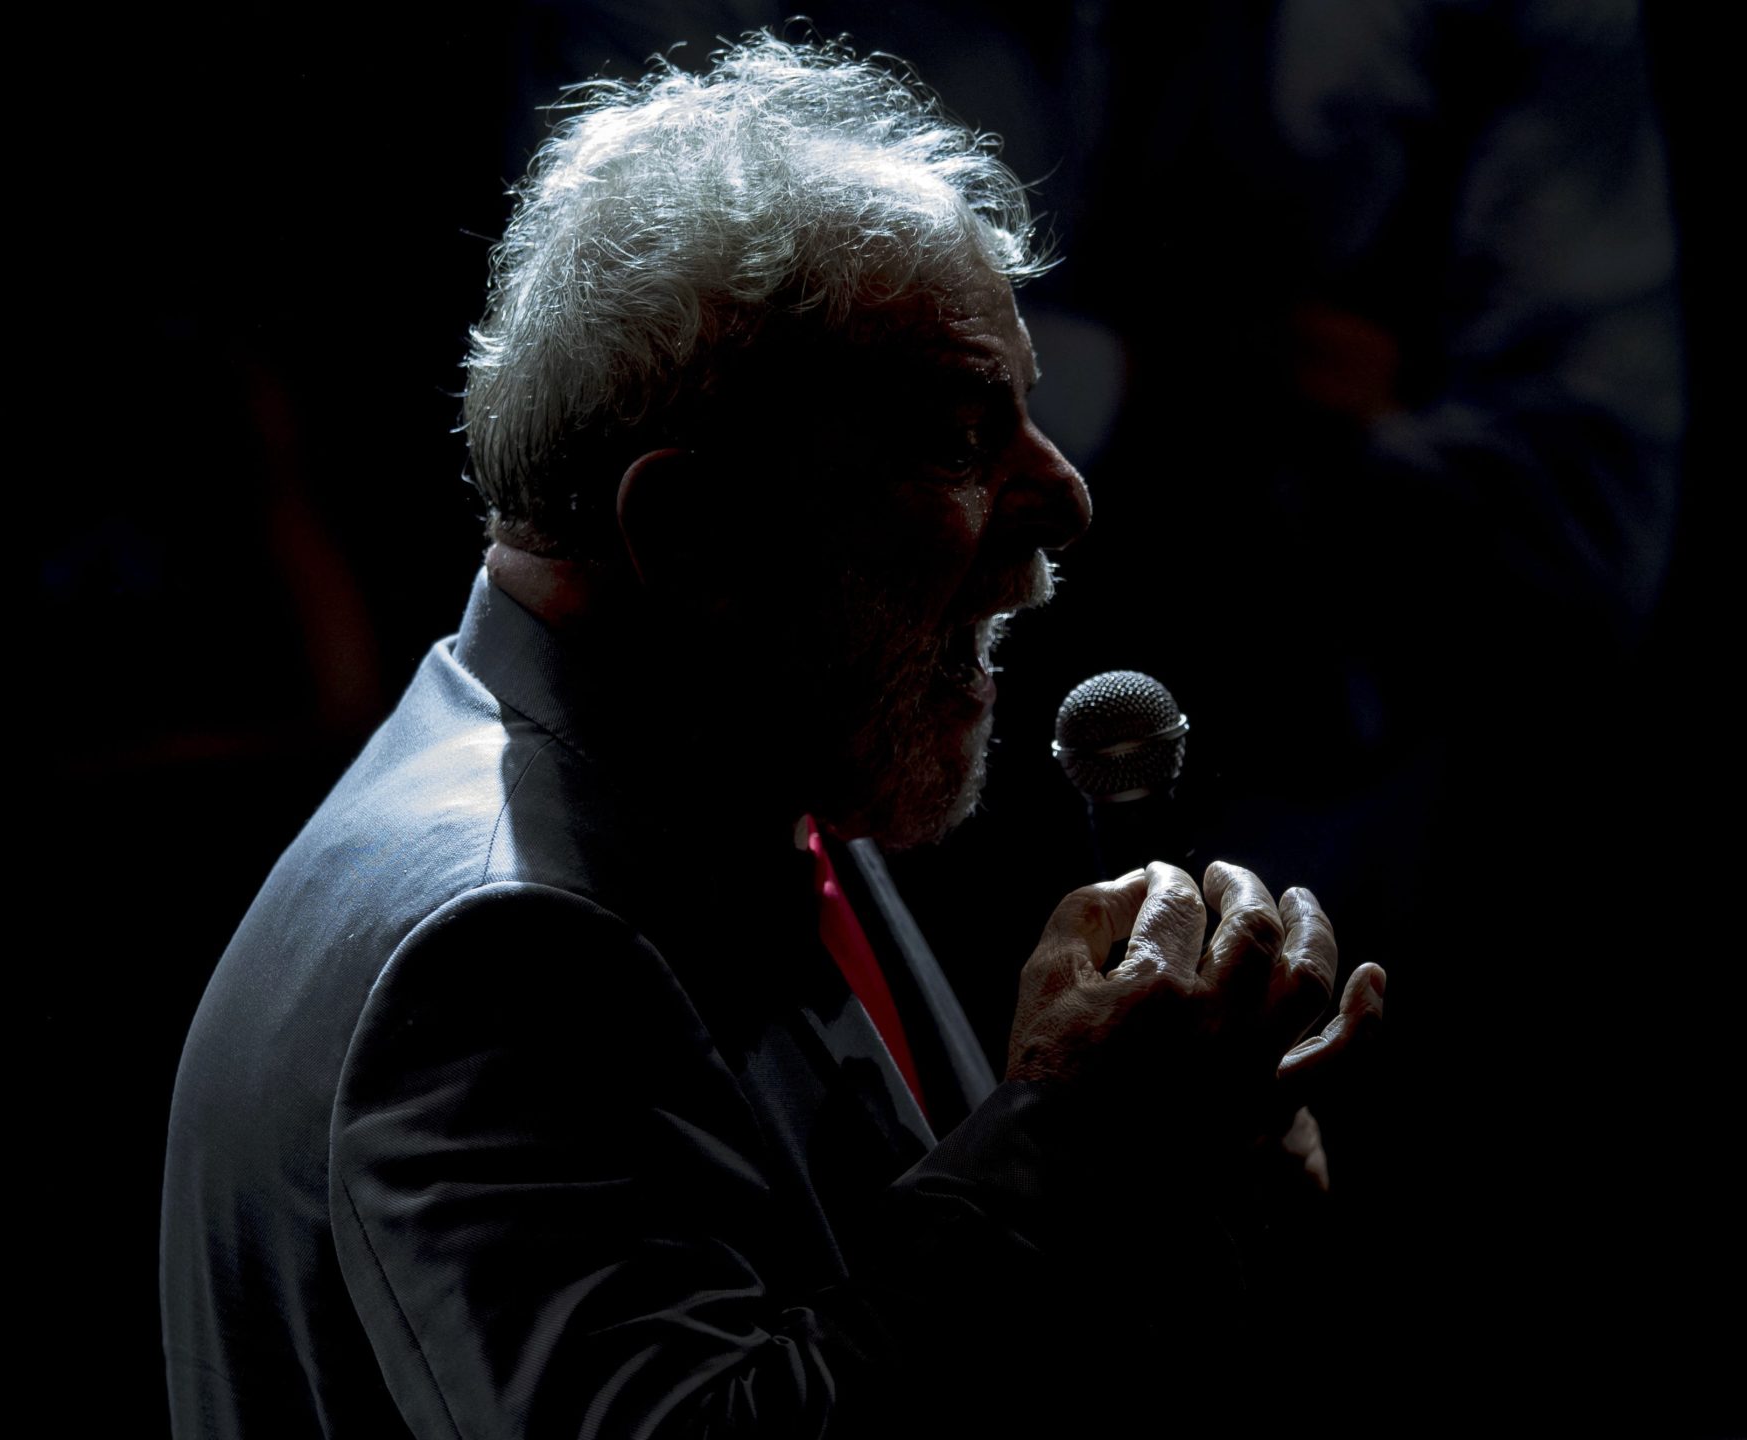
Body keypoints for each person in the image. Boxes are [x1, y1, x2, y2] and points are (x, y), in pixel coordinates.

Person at [158, 32, 1385, 1437]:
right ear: (694, 536)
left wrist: (1181, 1191)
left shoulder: (751, 765)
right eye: (960, 437)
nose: (1064, 499)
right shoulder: (499, 957)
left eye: (1030, 415)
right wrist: (1070, 1137)